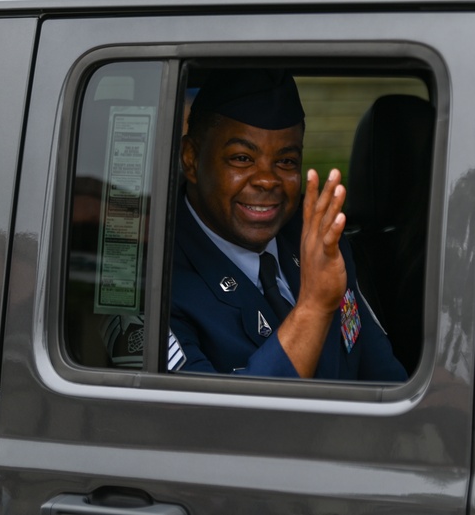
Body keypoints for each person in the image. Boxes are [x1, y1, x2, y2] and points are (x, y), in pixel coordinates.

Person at [170, 70, 407, 381]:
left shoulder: (313, 239)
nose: (268, 180)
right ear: (191, 159)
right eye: (242, 158)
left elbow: (384, 380)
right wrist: (312, 308)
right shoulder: (156, 279)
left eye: (286, 162)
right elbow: (208, 423)